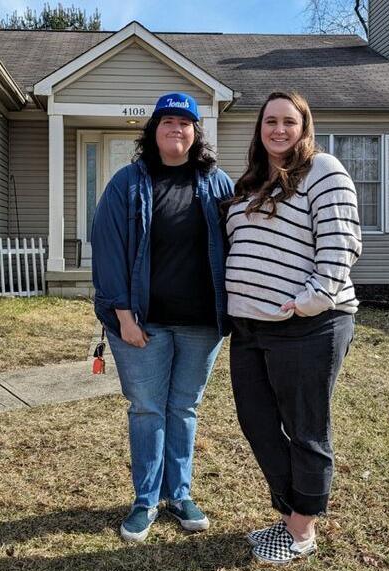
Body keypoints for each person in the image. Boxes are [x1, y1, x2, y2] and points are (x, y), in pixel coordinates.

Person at [224, 91, 362, 564]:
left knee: (305, 430)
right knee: (258, 423)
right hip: (250, 328)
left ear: (305, 127)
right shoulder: (251, 183)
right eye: (270, 121)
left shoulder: (323, 170)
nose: (278, 130)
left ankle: (301, 530)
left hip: (307, 327)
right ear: (259, 128)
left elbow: (342, 243)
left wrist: (310, 301)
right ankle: (290, 513)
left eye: (289, 121)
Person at [91, 92, 235, 543]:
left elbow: (241, 243)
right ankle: (146, 500)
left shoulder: (216, 183)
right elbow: (108, 251)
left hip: (202, 324)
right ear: (153, 131)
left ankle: (180, 494)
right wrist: (123, 315)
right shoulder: (126, 183)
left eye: (185, 122)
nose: (177, 128)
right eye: (167, 121)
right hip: (142, 324)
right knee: (148, 409)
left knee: (184, 408)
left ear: (196, 133)